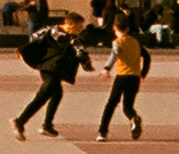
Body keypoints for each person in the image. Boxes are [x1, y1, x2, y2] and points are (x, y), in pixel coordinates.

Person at [12, 12, 84, 140]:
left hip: (45, 66)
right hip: (53, 69)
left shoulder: (52, 29)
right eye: (80, 25)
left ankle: (47, 125)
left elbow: (34, 37)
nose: (81, 28)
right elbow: (79, 51)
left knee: (57, 94)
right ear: (72, 24)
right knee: (42, 96)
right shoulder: (71, 37)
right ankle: (20, 122)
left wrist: (40, 53)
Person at [96, 8, 150, 141]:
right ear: (127, 27)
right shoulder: (135, 42)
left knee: (111, 104)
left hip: (122, 76)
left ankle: (102, 132)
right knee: (128, 106)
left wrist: (106, 68)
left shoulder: (117, 42)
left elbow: (114, 54)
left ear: (114, 28)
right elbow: (147, 57)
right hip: (135, 77)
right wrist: (143, 73)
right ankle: (133, 118)